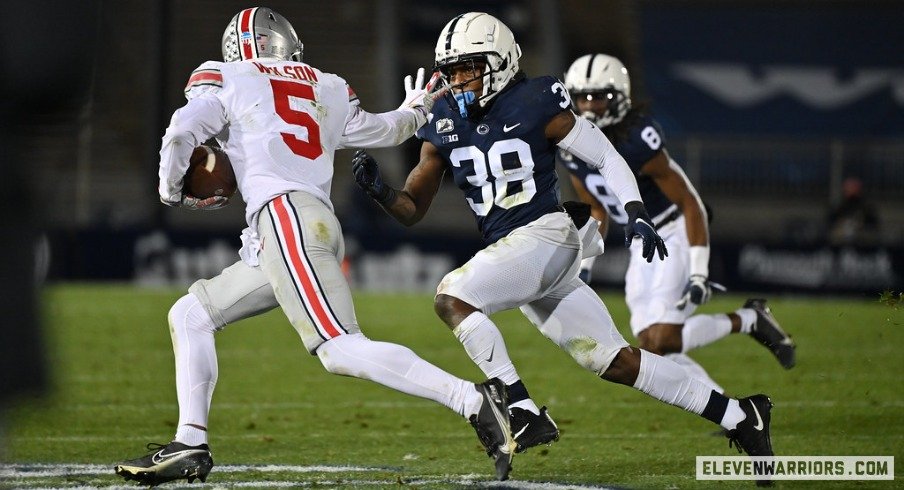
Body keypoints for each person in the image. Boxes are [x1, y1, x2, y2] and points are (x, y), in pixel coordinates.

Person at [353, 12, 776, 484]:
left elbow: (605, 155)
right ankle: (742, 415)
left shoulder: (535, 100)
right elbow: (413, 208)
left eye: (467, 67)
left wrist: (634, 210)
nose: (456, 81)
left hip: (546, 235)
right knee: (615, 361)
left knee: (453, 296)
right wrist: (382, 193)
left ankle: (521, 408)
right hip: (522, 254)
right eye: (450, 71)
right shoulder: (443, 118)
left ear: (500, 62)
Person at [114, 7, 518, 485]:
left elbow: (182, 131)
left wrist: (169, 188)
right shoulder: (325, 84)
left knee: (339, 350)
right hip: (303, 222)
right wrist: (418, 109)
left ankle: (474, 401)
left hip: (285, 219)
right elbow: (388, 131)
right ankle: (191, 442)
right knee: (191, 314)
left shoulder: (226, 76)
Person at [557, 53, 796, 395]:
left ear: (620, 96)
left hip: (673, 230)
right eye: (583, 97)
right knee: (653, 345)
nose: (590, 105)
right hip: (642, 241)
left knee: (664, 338)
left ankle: (748, 326)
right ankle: (735, 401)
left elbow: (690, 202)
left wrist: (699, 271)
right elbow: (597, 209)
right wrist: (585, 265)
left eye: (599, 96)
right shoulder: (570, 146)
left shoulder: (638, 141)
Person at [827, 176, 880, 246]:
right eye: (849, 188)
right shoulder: (838, 208)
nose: (851, 190)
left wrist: (860, 227)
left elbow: (874, 226)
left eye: (854, 187)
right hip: (841, 243)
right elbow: (829, 224)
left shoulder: (866, 208)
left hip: (861, 243)